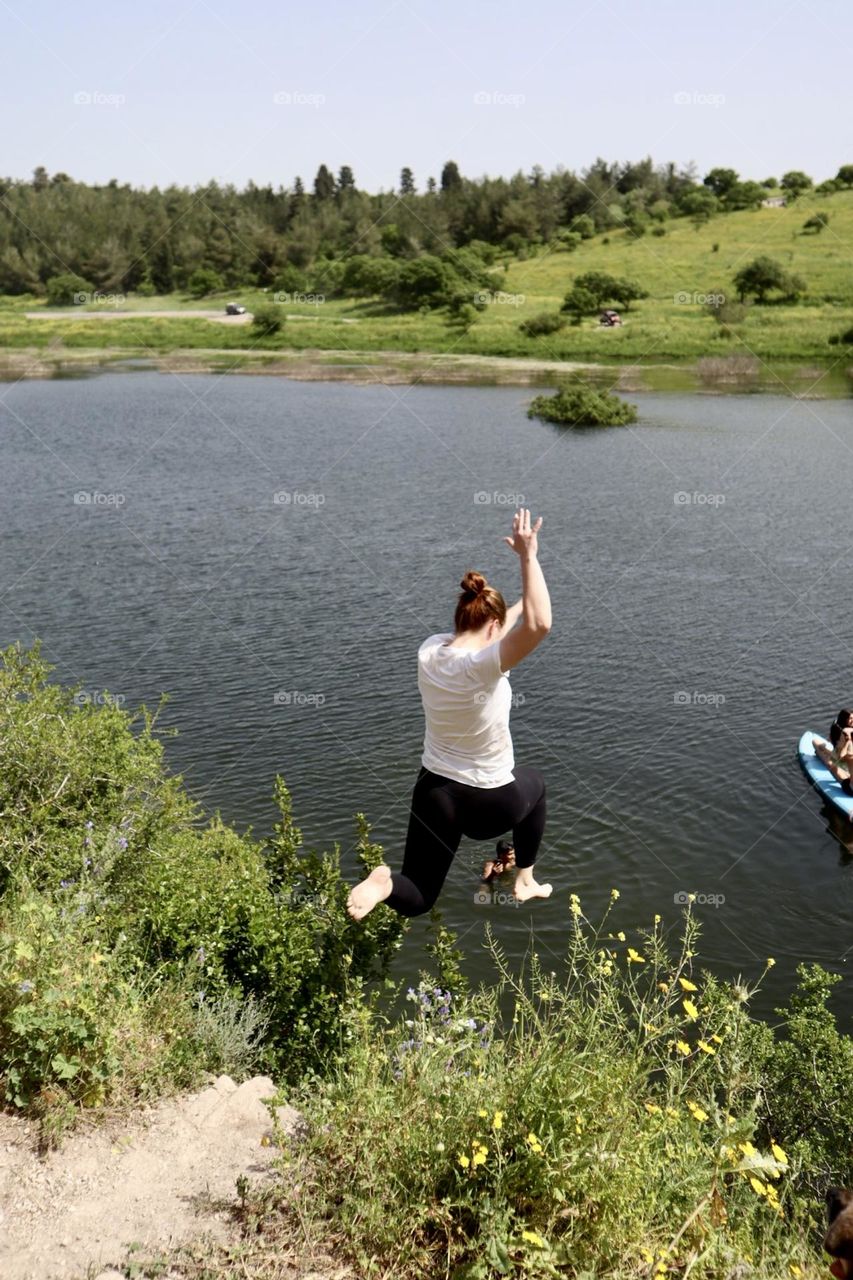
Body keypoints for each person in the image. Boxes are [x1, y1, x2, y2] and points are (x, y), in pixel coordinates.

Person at [347, 508, 552, 920]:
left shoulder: (430, 651)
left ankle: (383, 885)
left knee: (418, 896)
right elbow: (539, 625)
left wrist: (511, 606)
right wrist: (528, 558)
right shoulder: (484, 667)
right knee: (537, 786)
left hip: (434, 792)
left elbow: (501, 628)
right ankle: (525, 878)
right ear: (494, 630)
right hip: (489, 801)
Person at [813, 710, 853, 791]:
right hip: (839, 755)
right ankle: (823, 750)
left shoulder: (845, 733)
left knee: (832, 765)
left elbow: (841, 756)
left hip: (841, 758)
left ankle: (822, 751)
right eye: (850, 718)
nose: (852, 720)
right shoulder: (841, 730)